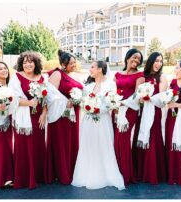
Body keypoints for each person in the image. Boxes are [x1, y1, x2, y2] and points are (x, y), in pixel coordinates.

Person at [72, 61, 125, 190]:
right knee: (88, 145)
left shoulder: (111, 85)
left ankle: (105, 175)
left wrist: (98, 110)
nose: (90, 69)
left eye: (92, 67)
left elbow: (112, 102)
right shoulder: (88, 87)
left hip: (103, 120)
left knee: (103, 145)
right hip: (88, 121)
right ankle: (86, 175)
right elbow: (83, 103)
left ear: (100, 69)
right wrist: (87, 107)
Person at [8, 51, 47, 189]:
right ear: (21, 64)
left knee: (37, 145)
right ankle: (24, 178)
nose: (27, 64)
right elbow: (12, 99)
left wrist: (44, 113)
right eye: (24, 62)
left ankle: (38, 176)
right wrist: (30, 104)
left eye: (30, 62)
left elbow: (46, 98)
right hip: (23, 118)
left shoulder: (42, 77)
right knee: (24, 147)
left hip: (38, 117)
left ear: (35, 63)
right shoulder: (16, 77)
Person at [46, 50, 83, 184]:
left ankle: (73, 171)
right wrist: (66, 102)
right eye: (70, 63)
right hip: (61, 114)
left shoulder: (75, 75)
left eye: (74, 62)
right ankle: (61, 172)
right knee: (62, 143)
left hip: (74, 113)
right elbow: (50, 94)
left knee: (73, 141)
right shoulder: (57, 74)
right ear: (63, 64)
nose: (73, 65)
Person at [132, 52, 168, 185]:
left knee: (153, 138)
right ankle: (140, 171)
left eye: (161, 61)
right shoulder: (143, 76)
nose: (159, 63)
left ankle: (153, 172)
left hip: (154, 111)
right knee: (140, 135)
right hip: (142, 112)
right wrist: (141, 98)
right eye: (156, 60)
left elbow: (162, 97)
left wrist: (149, 98)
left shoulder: (162, 77)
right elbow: (137, 95)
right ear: (151, 61)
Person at [113, 48, 144, 185]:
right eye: (134, 57)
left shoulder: (140, 75)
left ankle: (126, 174)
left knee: (123, 139)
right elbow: (111, 90)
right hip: (115, 110)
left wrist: (123, 104)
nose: (136, 60)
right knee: (116, 140)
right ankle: (116, 171)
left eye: (139, 59)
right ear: (128, 57)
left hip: (129, 111)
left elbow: (137, 95)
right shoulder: (117, 74)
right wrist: (113, 104)